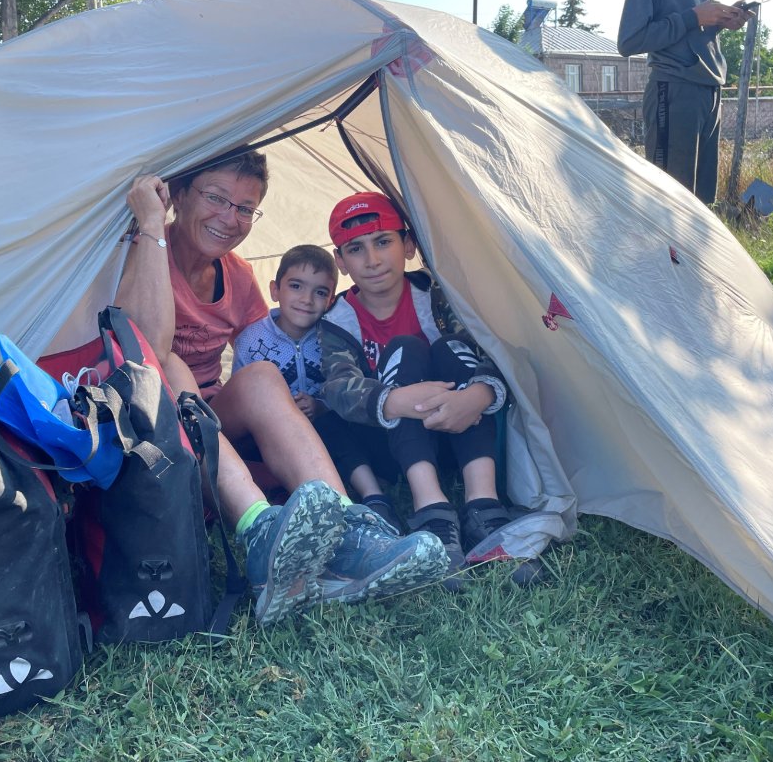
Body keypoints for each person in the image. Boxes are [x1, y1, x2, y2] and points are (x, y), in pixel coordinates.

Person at [113, 156, 447, 624]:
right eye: (215, 198)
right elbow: (142, 352)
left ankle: (344, 525)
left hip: (214, 423)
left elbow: (264, 356)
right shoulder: (141, 251)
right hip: (150, 424)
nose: (230, 219)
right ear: (179, 194)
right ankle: (259, 530)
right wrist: (151, 221)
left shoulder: (238, 276)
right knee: (169, 362)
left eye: (245, 208)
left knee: (265, 374)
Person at [318, 191, 516, 585]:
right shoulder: (338, 319)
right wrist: (392, 400)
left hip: (455, 432)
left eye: (383, 242)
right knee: (404, 351)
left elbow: (493, 347)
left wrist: (477, 395)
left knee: (446, 348)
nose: (372, 260)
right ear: (341, 262)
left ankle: (482, 504)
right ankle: (432, 509)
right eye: (356, 249)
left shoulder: (437, 294)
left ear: (408, 245)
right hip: (393, 448)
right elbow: (339, 386)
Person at [232, 245, 403, 532]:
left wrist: (321, 405)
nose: (307, 300)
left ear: (330, 300)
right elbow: (243, 395)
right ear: (275, 290)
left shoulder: (332, 335)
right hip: (271, 434)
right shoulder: (252, 339)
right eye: (296, 286)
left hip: (328, 425)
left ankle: (373, 497)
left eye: (320, 292)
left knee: (333, 427)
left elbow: (348, 385)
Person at [617, 0, 752, 204]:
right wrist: (694, 16)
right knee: (671, 204)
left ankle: (698, 253)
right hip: (674, 92)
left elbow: (689, 33)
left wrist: (720, 21)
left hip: (709, 91)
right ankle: (660, 253)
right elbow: (629, 40)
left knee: (702, 204)